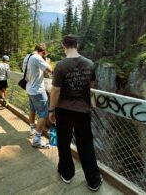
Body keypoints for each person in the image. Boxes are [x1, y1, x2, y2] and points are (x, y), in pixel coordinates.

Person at [49, 35, 103, 191]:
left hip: (63, 111)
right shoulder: (90, 63)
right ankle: (93, 180)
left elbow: (55, 90)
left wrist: (51, 110)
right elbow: (90, 85)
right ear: (77, 45)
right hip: (83, 110)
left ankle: (66, 173)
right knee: (85, 145)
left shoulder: (60, 65)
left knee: (64, 142)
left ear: (63, 46)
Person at [22, 43, 52, 148]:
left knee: (32, 110)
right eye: (45, 53)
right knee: (43, 115)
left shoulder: (28, 56)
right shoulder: (37, 57)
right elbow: (50, 70)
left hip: (29, 88)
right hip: (38, 91)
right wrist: (47, 61)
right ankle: (37, 140)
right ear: (43, 52)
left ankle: (32, 130)